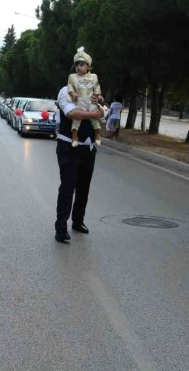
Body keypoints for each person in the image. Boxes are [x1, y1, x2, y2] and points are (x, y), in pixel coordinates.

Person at [54, 85, 105, 242]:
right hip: (69, 146)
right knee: (68, 187)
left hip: (88, 148)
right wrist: (94, 113)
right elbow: (71, 113)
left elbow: (103, 115)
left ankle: (78, 221)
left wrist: (98, 111)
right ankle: (61, 228)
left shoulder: (93, 94)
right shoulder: (65, 92)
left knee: (84, 188)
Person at [67, 47, 104, 147]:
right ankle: (74, 138)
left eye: (82, 64)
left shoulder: (94, 76)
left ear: (88, 66)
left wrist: (99, 96)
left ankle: (97, 135)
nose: (79, 67)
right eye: (77, 65)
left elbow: (96, 86)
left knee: (95, 120)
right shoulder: (72, 77)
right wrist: (73, 94)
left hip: (91, 101)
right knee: (76, 120)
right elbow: (70, 86)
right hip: (79, 101)